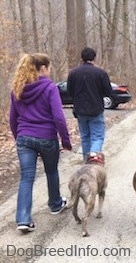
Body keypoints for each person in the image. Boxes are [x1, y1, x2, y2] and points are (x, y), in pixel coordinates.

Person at [9, 53, 72, 233]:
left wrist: (19, 138)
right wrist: (65, 140)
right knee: (51, 171)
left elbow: (13, 119)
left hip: (24, 138)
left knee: (26, 177)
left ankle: (23, 219)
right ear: (42, 68)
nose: (50, 71)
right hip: (46, 137)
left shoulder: (17, 89)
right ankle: (55, 204)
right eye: (49, 68)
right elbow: (59, 117)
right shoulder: (50, 88)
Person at [67, 47, 112, 160]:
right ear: (94, 58)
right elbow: (108, 91)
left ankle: (87, 162)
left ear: (82, 58)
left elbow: (69, 91)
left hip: (80, 110)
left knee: (85, 137)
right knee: (97, 137)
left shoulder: (73, 73)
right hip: (96, 109)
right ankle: (94, 160)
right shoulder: (100, 73)